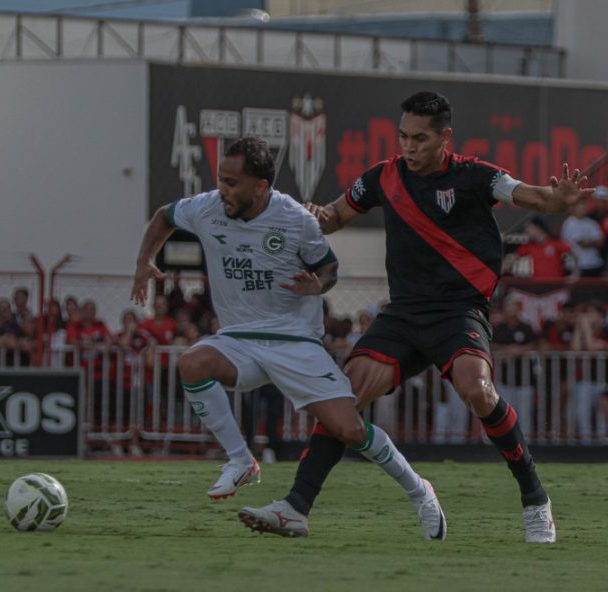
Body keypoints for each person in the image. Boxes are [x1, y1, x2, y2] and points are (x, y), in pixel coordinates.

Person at [303, 90, 592, 544]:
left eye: (419, 138)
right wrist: (313, 216)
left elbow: (529, 196)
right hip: (403, 314)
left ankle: (535, 499)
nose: (408, 147)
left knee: (478, 392)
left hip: (458, 312)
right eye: (403, 137)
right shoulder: (383, 177)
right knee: (344, 397)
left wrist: (558, 201)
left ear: (445, 138)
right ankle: (295, 508)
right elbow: (335, 215)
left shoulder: (475, 176)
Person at [131, 137, 445, 540]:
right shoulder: (206, 207)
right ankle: (240, 459)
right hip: (239, 338)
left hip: (295, 341)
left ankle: (419, 490)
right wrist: (145, 262)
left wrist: (318, 286)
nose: (223, 190)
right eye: (221, 180)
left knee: (349, 430)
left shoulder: (295, 219)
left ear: (261, 186)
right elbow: (163, 216)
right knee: (192, 363)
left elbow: (330, 268)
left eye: (232, 183)